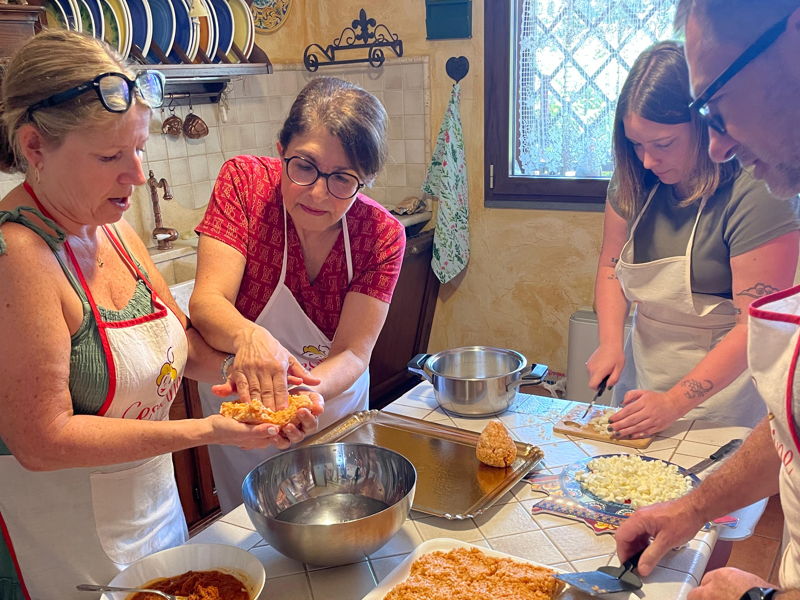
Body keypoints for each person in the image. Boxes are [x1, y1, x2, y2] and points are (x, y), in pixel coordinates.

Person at [0, 31, 312, 599]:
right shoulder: (18, 257)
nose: (138, 175)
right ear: (35, 147)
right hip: (63, 549)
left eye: (139, 148)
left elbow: (182, 349)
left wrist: (266, 386)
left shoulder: (113, 229)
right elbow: (40, 440)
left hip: (154, 521)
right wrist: (209, 430)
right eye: (110, 156)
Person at [615, 2, 800, 599]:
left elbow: (752, 324)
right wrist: (692, 508)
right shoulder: (642, 185)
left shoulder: (761, 191)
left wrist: (759, 598)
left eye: (716, 108)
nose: (719, 147)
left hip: (720, 406)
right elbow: (789, 434)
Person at [189, 76, 406, 513]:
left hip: (329, 408)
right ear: (281, 148)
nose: (318, 193)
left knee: (342, 520)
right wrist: (251, 339)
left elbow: (352, 353)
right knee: (252, 532)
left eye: (343, 179)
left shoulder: (381, 235)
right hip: (243, 411)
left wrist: (302, 397)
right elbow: (207, 302)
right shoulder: (245, 185)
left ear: (366, 181)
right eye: (304, 166)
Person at [588, 40, 798, 439]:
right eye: (636, 145)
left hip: (724, 399)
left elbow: (755, 324)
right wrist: (611, 342)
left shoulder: (756, 191)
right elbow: (610, 268)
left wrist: (673, 403)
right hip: (645, 378)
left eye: (663, 144)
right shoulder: (634, 180)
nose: (648, 160)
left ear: (705, 125)